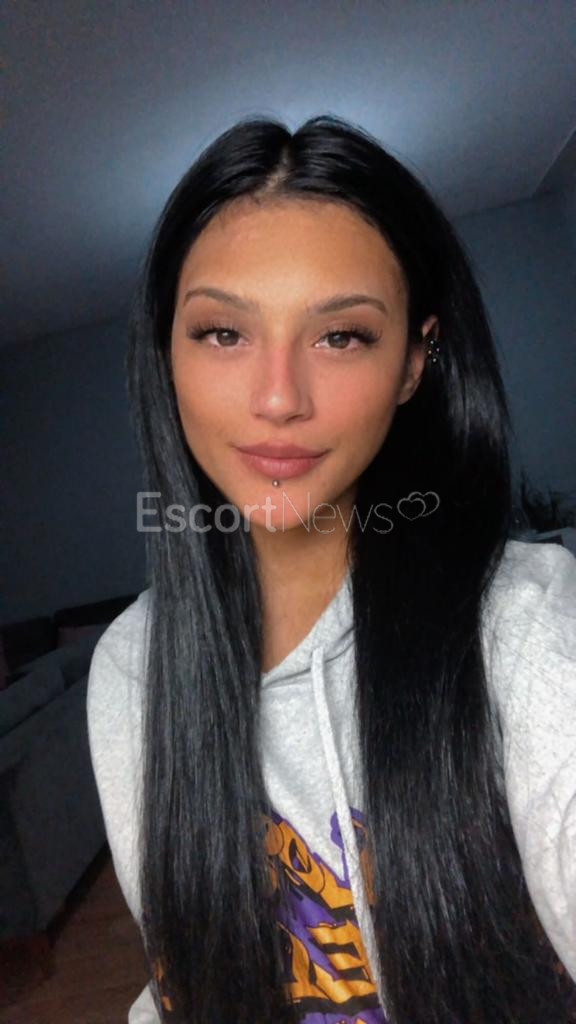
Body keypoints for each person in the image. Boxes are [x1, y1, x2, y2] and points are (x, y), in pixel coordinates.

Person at [86, 114, 576, 1024]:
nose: (279, 397)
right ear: (166, 353)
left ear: (414, 363)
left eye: (341, 336)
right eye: (222, 333)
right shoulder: (132, 667)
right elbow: (178, 974)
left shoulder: (523, 623)